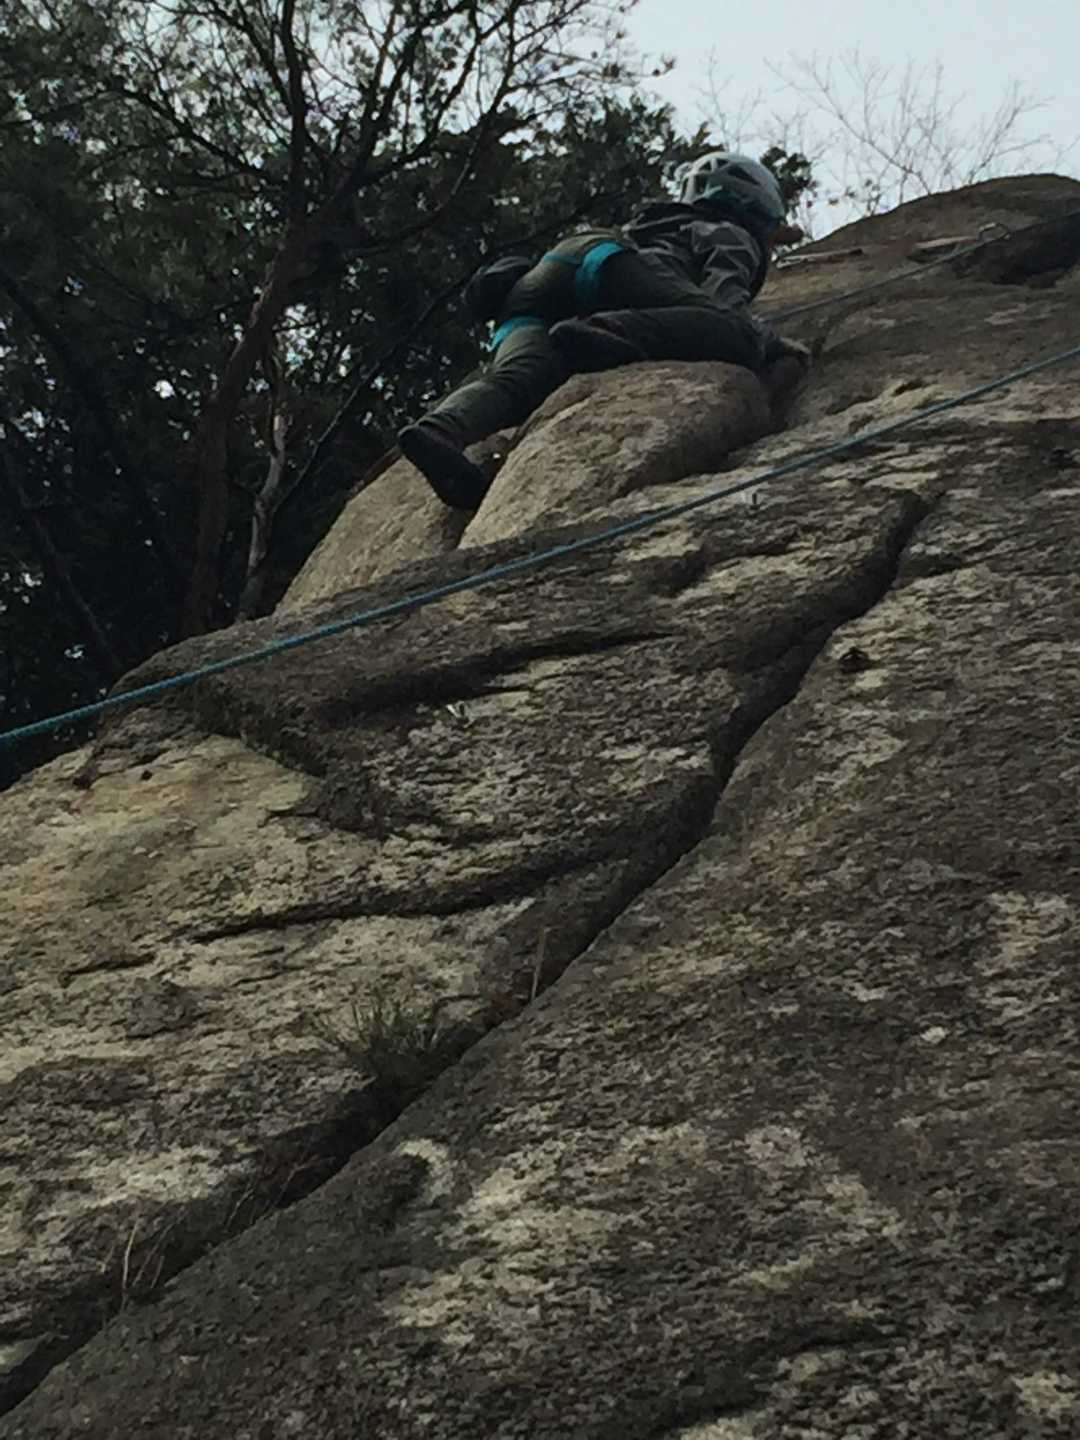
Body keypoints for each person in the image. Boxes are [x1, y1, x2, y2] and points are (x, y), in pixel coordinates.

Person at [398, 152, 811, 511]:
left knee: (518, 378)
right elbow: (726, 303)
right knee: (739, 334)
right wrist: (767, 341)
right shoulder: (729, 232)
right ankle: (601, 331)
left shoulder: (650, 222)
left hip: (546, 275)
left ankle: (441, 431)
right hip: (612, 271)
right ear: (758, 207)